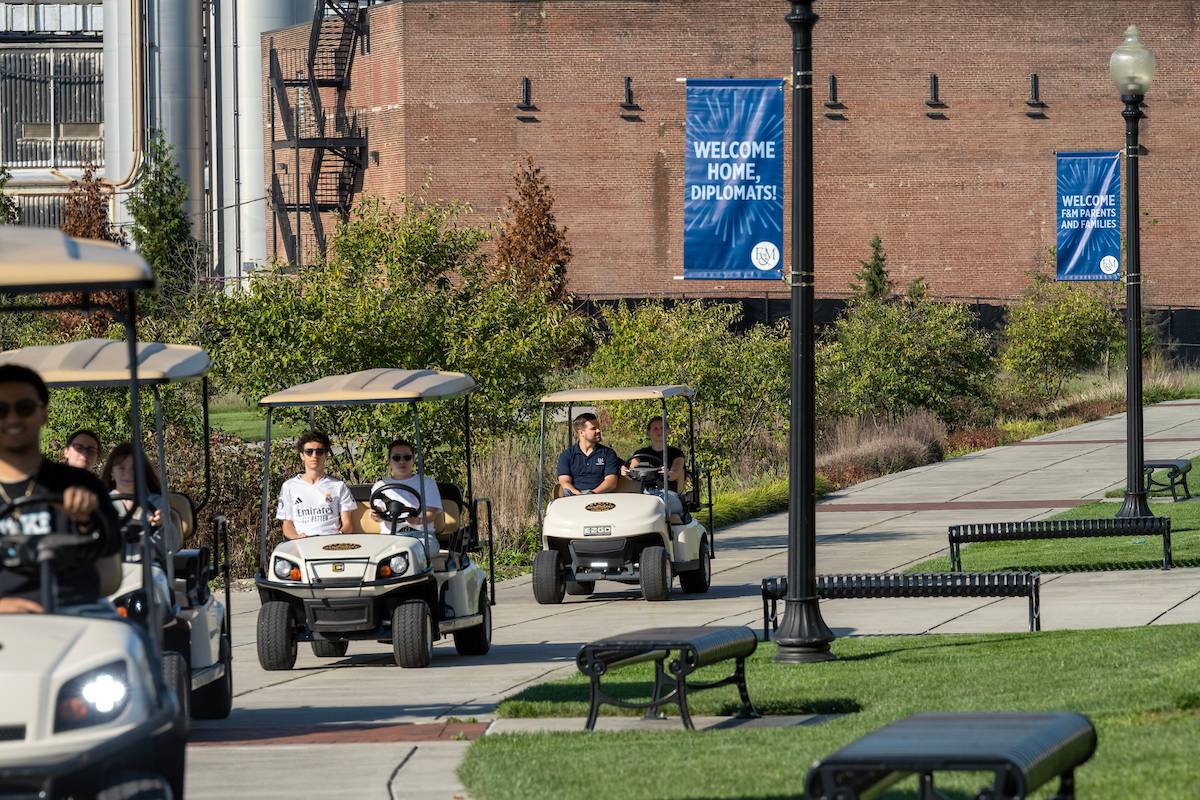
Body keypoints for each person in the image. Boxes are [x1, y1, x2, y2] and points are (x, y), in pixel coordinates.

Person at [0, 365, 121, 614]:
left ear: (42, 414)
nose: (12, 418)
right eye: (1, 410)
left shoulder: (81, 484)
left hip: (76, 613)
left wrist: (87, 521)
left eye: (24, 408)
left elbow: (111, 547)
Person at [276, 431, 355, 539]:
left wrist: (338, 537)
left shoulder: (338, 486)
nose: (314, 456)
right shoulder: (289, 486)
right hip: (302, 543)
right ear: (302, 455)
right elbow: (287, 524)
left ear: (326, 455)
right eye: (309, 451)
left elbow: (348, 525)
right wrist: (296, 538)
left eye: (319, 452)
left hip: (332, 542)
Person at [370, 438, 442, 549]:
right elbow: (378, 513)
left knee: (412, 552)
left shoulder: (427, 483)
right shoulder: (379, 486)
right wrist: (377, 514)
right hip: (390, 537)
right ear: (389, 461)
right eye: (396, 458)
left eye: (407, 457)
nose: (402, 462)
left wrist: (418, 521)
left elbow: (431, 513)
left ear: (413, 460)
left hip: (420, 536)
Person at [100, 442, 168, 547]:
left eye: (134, 469)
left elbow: (171, 546)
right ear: (112, 473)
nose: (127, 474)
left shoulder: (157, 503)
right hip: (111, 561)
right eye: (122, 468)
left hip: (148, 561)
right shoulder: (100, 504)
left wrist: (163, 525)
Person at [556, 412, 621, 496]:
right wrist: (579, 495)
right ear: (581, 433)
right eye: (593, 428)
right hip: (574, 499)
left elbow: (611, 482)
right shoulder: (567, 455)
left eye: (598, 427)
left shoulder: (608, 453)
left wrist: (591, 494)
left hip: (602, 499)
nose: (598, 430)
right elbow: (564, 481)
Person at [628, 416, 687, 493]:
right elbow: (633, 471)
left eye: (662, 428)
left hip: (668, 493)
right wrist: (627, 473)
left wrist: (668, 473)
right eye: (655, 429)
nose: (659, 431)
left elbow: (675, 473)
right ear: (648, 432)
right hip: (646, 493)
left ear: (668, 431)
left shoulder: (677, 453)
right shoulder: (640, 454)